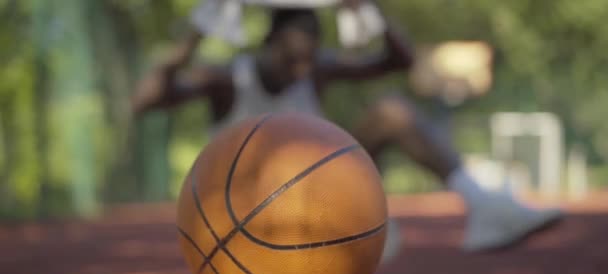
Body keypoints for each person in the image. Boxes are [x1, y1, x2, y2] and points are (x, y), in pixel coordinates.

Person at [131, 2, 561, 255]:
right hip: (249, 219)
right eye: (291, 58)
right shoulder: (226, 80)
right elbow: (144, 100)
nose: (301, 68)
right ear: (267, 44)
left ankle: (481, 205)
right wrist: (197, 29)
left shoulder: (314, 70)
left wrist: (369, 10)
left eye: (308, 59)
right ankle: (357, 234)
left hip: (315, 201)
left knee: (392, 109)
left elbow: (401, 62)